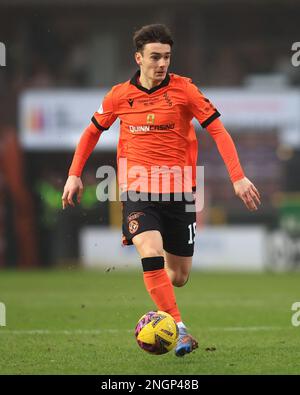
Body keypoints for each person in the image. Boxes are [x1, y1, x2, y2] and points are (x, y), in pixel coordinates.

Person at [62, 24, 261, 357]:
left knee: (178, 276)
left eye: (167, 56)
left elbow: (219, 132)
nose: (162, 63)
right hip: (138, 190)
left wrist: (238, 177)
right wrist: (74, 174)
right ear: (138, 58)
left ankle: (162, 303)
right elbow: (91, 132)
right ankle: (181, 330)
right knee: (149, 251)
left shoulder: (185, 91)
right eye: (155, 56)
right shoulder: (119, 96)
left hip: (180, 192)